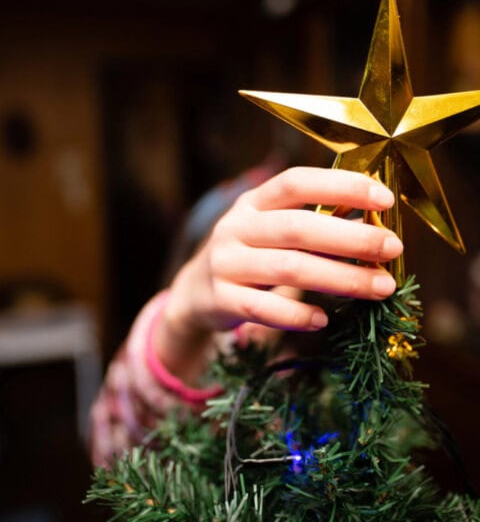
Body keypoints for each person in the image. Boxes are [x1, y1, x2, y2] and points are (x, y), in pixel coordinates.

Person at [90, 166, 403, 467]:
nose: (249, 308)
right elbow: (112, 456)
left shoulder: (327, 382)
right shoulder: (180, 370)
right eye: (243, 280)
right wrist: (181, 316)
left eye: (269, 279)